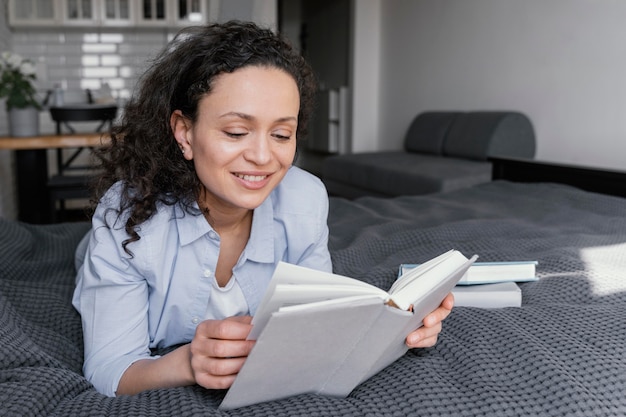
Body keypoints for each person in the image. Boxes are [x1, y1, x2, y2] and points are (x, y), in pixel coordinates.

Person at [72, 20, 454, 398]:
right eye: (237, 132)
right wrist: (187, 363)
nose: (261, 157)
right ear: (185, 133)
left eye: (281, 135)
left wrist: (400, 330)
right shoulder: (128, 222)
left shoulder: (305, 201)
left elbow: (319, 330)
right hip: (105, 250)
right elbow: (110, 369)